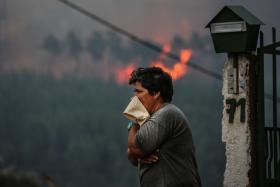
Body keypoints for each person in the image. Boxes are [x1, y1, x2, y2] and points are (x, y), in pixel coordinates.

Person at [126, 67, 201, 187]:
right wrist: (138, 153)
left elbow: (135, 148)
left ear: (155, 93)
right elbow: (132, 156)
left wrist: (135, 118)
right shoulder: (151, 118)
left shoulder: (166, 114)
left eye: (139, 92)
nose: (134, 98)